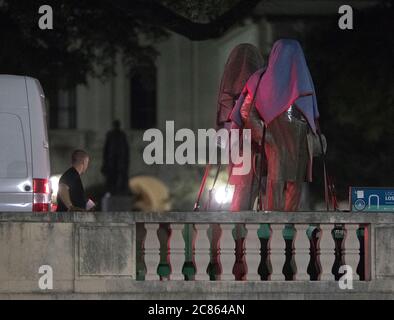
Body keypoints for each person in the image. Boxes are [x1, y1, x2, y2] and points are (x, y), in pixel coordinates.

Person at [231, 39, 323, 211]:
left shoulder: (303, 81)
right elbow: (246, 111)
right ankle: (274, 224)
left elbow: (310, 113)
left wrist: (312, 134)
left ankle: (288, 227)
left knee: (295, 183)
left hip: (299, 138)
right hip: (276, 138)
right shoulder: (260, 80)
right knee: (277, 181)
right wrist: (265, 135)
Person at [214, 43, 264, 212]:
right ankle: (239, 231)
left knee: (244, 186)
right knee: (246, 187)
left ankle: (239, 231)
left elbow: (224, 118)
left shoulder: (229, 88)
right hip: (248, 141)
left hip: (239, 140)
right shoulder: (258, 82)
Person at [101, 120, 130, 195]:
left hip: (120, 159)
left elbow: (126, 149)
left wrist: (126, 161)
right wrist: (105, 161)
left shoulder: (122, 135)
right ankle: (111, 190)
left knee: (120, 176)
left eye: (117, 125)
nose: (116, 127)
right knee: (111, 176)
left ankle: (119, 190)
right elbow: (106, 149)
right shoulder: (110, 135)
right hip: (111, 159)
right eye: (115, 125)